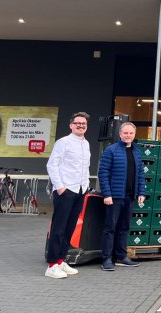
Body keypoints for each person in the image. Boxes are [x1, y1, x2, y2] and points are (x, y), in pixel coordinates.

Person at [45, 112, 92, 279]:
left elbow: (85, 167)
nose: (81, 125)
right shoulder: (63, 142)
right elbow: (52, 165)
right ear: (71, 125)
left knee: (70, 228)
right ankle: (52, 265)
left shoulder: (86, 143)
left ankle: (61, 260)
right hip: (66, 190)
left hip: (80, 190)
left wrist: (86, 186)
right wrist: (60, 187)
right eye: (77, 123)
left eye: (83, 123)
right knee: (58, 228)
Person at [97, 122, 145, 271]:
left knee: (124, 228)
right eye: (125, 133)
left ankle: (121, 257)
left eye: (131, 133)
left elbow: (140, 174)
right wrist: (107, 194)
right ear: (120, 134)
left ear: (134, 135)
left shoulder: (137, 152)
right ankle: (106, 259)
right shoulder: (111, 150)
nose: (128, 135)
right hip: (114, 197)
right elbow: (103, 172)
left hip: (130, 196)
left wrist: (141, 192)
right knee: (110, 228)